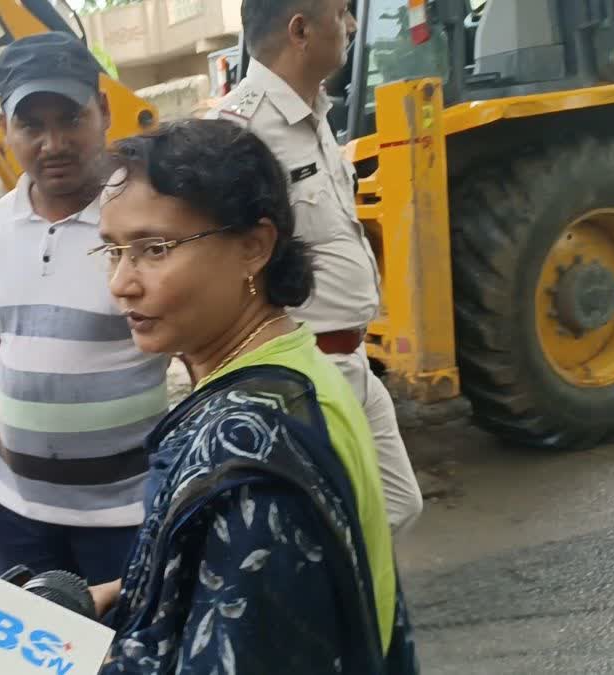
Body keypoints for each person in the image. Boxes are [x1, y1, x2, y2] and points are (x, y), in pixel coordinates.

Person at [91, 119, 417, 673]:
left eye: (154, 248)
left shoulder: (245, 450)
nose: (122, 282)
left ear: (253, 247)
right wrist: (136, 589)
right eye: (115, 251)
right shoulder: (297, 368)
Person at [0, 32, 170, 586]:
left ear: (101, 111)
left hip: (129, 513)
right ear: (6, 128)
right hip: (21, 514)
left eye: (69, 118)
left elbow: (198, 349)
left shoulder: (144, 222)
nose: (53, 143)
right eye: (31, 125)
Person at [208, 0, 424, 534]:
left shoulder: (315, 115)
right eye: (341, 12)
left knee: (397, 506)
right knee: (317, 529)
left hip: (352, 359)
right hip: (304, 374)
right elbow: (220, 271)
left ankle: (351, 605)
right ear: (300, 29)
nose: (351, 24)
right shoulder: (241, 131)